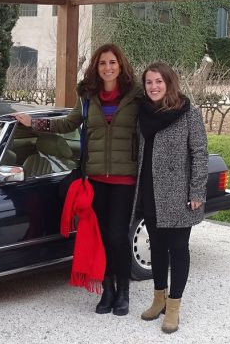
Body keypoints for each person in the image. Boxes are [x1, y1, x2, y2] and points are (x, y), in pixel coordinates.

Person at [12, 43, 141, 316]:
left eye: (112, 62)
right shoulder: (87, 97)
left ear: (121, 65)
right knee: (102, 235)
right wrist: (34, 123)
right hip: (95, 178)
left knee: (118, 236)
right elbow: (67, 124)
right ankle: (107, 290)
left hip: (124, 179)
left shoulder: (135, 96)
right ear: (96, 66)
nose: (107, 67)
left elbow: (152, 123)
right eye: (102, 63)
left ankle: (123, 291)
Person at [134, 62, 208, 333]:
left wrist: (197, 190)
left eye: (158, 82)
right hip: (150, 191)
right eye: (149, 82)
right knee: (157, 247)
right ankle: (158, 299)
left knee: (178, 249)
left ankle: (174, 307)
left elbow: (200, 153)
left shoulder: (188, 112)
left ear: (169, 83)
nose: (153, 87)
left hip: (178, 194)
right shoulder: (142, 113)